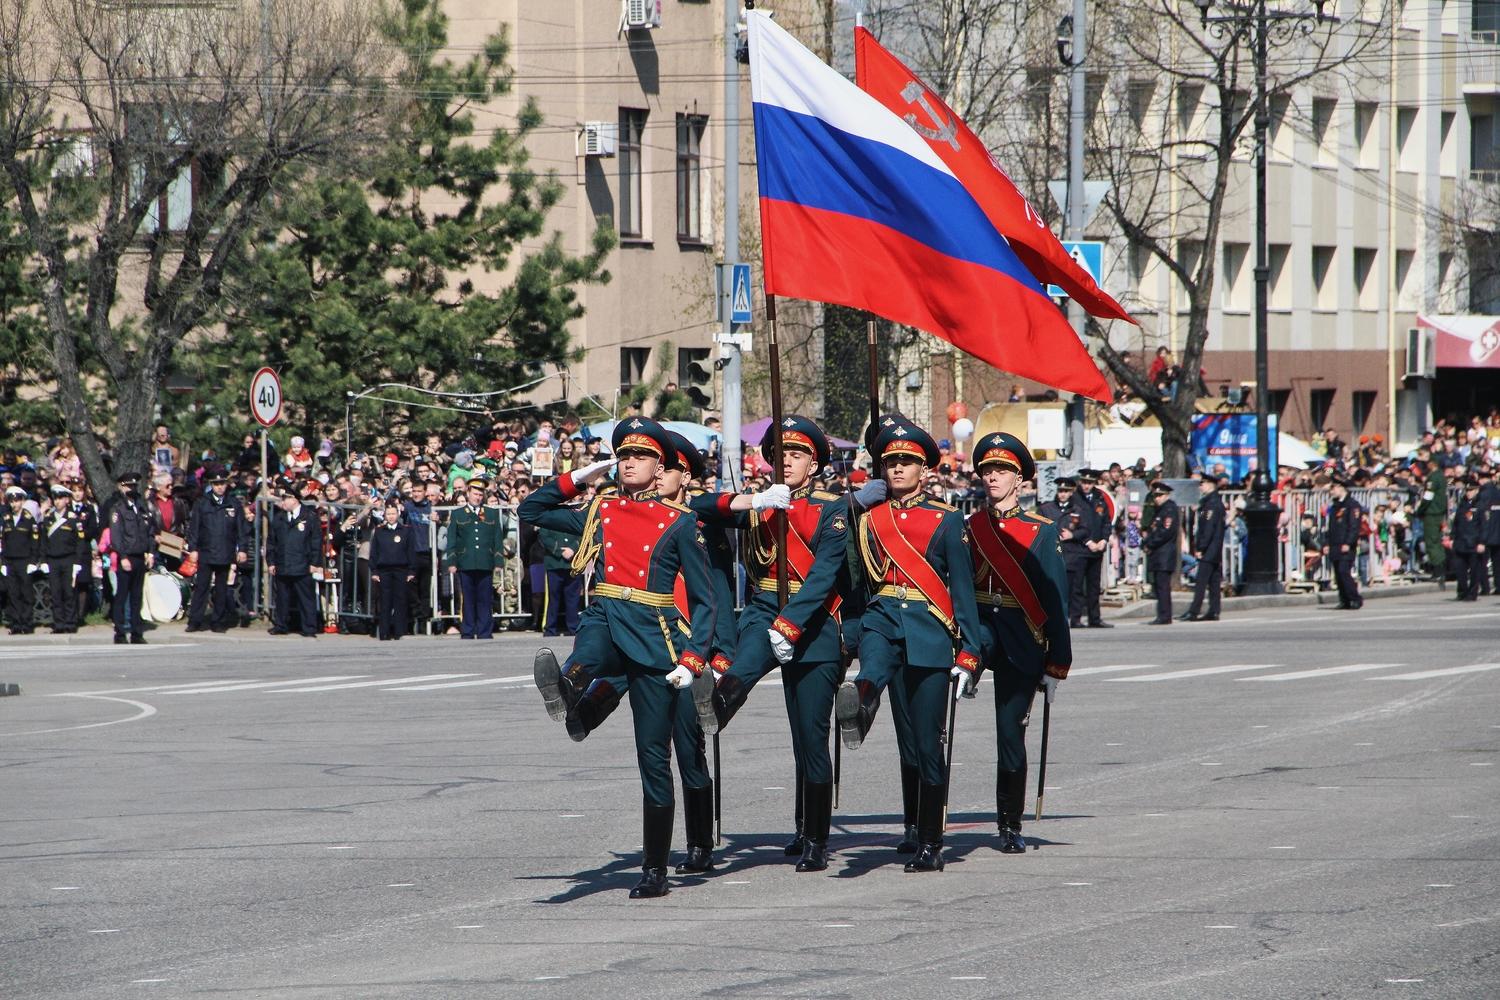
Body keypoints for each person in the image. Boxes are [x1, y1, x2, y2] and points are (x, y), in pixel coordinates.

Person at [520, 417, 718, 899]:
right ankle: (568, 685)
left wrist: (694, 658)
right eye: (623, 455)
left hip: (655, 636)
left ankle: (655, 868)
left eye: (640, 456)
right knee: (591, 642)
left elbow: (706, 600)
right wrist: (581, 475)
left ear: (659, 468)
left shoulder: (680, 522)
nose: (629, 462)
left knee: (654, 757)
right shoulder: (599, 509)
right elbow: (532, 508)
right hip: (607, 612)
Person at [690, 416, 847, 873]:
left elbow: (823, 576)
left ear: (813, 464)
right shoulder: (760, 503)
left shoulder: (831, 509)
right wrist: (753, 499)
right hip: (762, 611)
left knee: (809, 737)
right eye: (779, 456)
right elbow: (698, 507)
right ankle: (714, 706)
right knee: (739, 672)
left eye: (796, 456)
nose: (787, 463)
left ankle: (814, 836)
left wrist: (791, 625)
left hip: (813, 622)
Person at [835, 415, 983, 873]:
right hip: (882, 619)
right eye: (890, 462)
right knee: (873, 670)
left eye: (906, 462)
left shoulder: (947, 519)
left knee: (923, 742)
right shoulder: (869, 518)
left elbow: (962, 591)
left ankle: (929, 839)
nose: (897, 469)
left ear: (925, 470)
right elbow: (858, 580)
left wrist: (970, 653)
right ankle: (860, 699)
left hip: (929, 630)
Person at [965, 433, 1071, 853]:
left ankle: (1009, 823)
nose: (993, 477)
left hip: (1020, 633)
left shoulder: (1040, 531)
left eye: (1002, 471)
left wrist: (1056, 663)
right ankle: (923, 822)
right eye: (988, 470)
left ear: (1020, 480)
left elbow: (1055, 599)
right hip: (976, 629)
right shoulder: (968, 527)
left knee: (1010, 734)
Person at [185, 472, 248, 633]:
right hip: (206, 551)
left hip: (225, 551)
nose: (220, 487)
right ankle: (195, 620)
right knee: (201, 587)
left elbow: (241, 529)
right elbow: (194, 528)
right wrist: (193, 548)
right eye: (216, 484)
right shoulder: (202, 503)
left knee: (221, 588)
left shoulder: (233, 503)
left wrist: (242, 549)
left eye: (222, 484)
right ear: (211, 485)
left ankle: (218, 621)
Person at [446, 478, 505, 639]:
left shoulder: (491, 513)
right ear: (468, 493)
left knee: (485, 598)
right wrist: (451, 561)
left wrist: (499, 560)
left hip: (485, 562)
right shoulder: (458, 513)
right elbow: (452, 539)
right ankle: (468, 630)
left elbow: (497, 539)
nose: (478, 497)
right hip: (465, 562)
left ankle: (485, 630)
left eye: (480, 494)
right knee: (468, 599)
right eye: (475, 494)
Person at [104, 472, 158, 644]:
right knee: (121, 596)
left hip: (140, 557)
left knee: (137, 597)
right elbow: (116, 536)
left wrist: (150, 552)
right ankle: (120, 633)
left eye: (134, 486)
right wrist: (123, 556)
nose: (131, 489)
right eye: (128, 486)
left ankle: (136, 632)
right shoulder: (118, 509)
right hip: (126, 557)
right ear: (121, 487)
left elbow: (149, 532)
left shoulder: (142, 508)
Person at [266, 489, 321, 636]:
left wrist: (314, 563)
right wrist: (271, 562)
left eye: (285, 499)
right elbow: (271, 542)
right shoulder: (279, 518)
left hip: (302, 563)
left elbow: (316, 541)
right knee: (282, 598)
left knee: (306, 598)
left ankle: (309, 627)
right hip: (283, 563)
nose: (282, 502)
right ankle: (281, 625)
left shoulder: (309, 516)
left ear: (295, 500)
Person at [1067, 470, 1113, 628]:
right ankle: (1076, 618)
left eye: (1090, 483)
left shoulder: (1099, 498)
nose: (1086, 486)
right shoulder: (1074, 499)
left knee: (1094, 586)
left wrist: (1104, 540)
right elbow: (1073, 524)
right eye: (1084, 482)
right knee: (1077, 586)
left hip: (1097, 548)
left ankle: (1095, 618)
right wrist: (1087, 541)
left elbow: (1106, 522)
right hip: (1080, 549)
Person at [41, 484, 88, 634]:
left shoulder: (73, 519)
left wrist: (77, 562)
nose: (57, 501)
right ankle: (59, 623)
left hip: (69, 559)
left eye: (60, 498)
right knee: (55, 593)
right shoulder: (48, 518)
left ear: (67, 499)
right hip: (53, 560)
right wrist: (43, 560)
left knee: (69, 592)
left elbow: (80, 541)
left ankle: (70, 622)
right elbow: (43, 541)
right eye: (55, 498)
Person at [1180, 473, 1225, 621]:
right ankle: (1214, 610)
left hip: (1209, 550)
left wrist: (1201, 548)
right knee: (1213, 581)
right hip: (1214, 549)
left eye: (1202, 484)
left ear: (1210, 485)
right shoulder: (1212, 502)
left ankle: (1194, 611)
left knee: (1201, 581)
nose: (1201, 487)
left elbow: (1208, 528)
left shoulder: (1211, 505)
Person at [369, 501, 417, 639]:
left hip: (401, 570)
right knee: (385, 602)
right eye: (388, 514)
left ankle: (399, 632)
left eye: (393, 514)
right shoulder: (379, 531)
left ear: (398, 514)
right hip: (384, 570)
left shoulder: (406, 530)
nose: (390, 517)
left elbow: (410, 551)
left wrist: (411, 571)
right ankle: (384, 632)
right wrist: (374, 571)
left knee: (400, 601)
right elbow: (374, 552)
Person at [2, 485, 40, 634]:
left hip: (25, 560)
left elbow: (35, 541)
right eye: (11, 501)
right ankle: (16, 623)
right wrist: (3, 562)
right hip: (10, 561)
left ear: (22, 501)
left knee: (26, 593)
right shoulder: (6, 519)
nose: (14, 504)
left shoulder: (29, 519)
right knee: (13, 594)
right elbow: (3, 542)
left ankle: (27, 622)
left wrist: (33, 561)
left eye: (17, 501)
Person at [1323, 476, 1364, 610]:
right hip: (1335, 543)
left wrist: (1348, 542)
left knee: (1343, 571)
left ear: (1341, 488)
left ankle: (1355, 598)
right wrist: (1326, 544)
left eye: (1333, 488)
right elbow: (1330, 527)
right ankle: (1344, 600)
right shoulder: (1335, 506)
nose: (1331, 491)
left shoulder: (1352, 505)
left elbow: (1354, 526)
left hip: (1346, 545)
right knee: (1338, 574)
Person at [1143, 480, 1180, 625]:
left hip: (1164, 553)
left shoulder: (1169, 509)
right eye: (1155, 495)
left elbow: (1165, 532)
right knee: (1159, 586)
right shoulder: (1161, 510)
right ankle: (1162, 614)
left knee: (1163, 586)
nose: (1157, 498)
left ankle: (1165, 615)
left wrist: (1150, 544)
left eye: (1160, 495)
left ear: (1166, 495)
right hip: (1158, 554)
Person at [538, 518, 583, 637]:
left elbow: (582, 534)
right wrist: (559, 550)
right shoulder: (549, 516)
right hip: (554, 563)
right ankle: (550, 628)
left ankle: (573, 627)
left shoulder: (574, 515)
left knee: (573, 598)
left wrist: (573, 548)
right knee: (553, 599)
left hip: (572, 564)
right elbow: (544, 536)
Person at [1447, 475, 1485, 602]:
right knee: (1460, 570)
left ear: (1476, 491)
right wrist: (1452, 537)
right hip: (1461, 541)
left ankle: (1472, 593)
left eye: (1471, 491)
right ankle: (1462, 591)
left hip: (1474, 542)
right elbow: (1456, 523)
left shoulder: (1481, 505)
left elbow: (1484, 526)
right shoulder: (1462, 505)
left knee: (1474, 571)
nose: (1468, 493)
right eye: (1467, 491)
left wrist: (1481, 542)